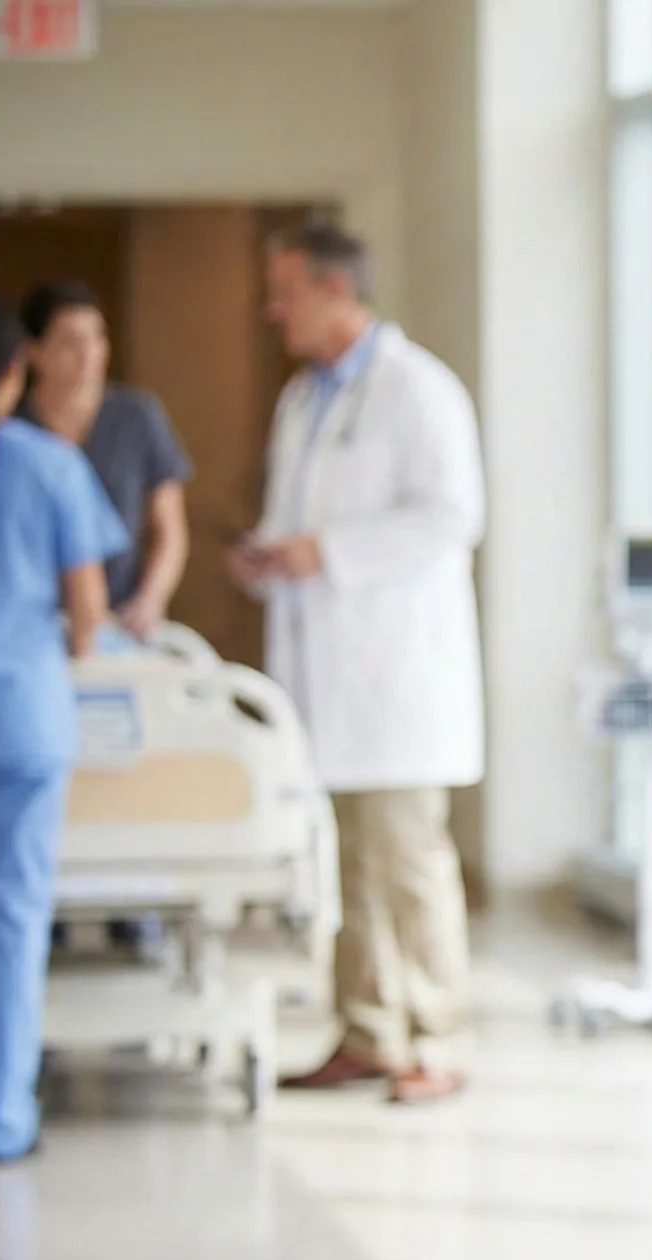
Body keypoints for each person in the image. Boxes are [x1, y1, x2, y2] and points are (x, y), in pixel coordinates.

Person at [233, 223, 486, 1106]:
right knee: (350, 872)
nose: (274, 310)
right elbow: (297, 524)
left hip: (400, 685)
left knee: (407, 863)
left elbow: (453, 515)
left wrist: (329, 553)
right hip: (328, 681)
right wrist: (273, 559)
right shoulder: (303, 400)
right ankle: (369, 1031)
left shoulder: (419, 392)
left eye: (285, 291)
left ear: (336, 289)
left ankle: (438, 1037)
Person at [0, 295, 127, 1162]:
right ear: (14, 371)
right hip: (19, 725)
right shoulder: (48, 468)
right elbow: (86, 615)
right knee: (7, 926)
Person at [18, 280, 196, 644]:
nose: (89, 355)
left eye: (97, 338)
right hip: (27, 624)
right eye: (70, 342)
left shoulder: (135, 416)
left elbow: (170, 529)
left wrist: (150, 600)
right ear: (34, 351)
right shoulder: (12, 429)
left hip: (119, 620)